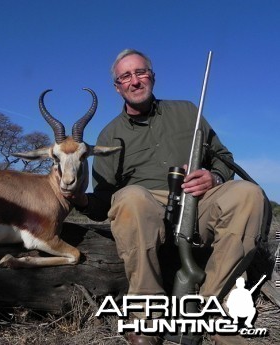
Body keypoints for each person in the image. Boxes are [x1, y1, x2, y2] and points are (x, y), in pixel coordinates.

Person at [68, 49, 264, 345]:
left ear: (152, 77)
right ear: (117, 86)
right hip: (145, 207)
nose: (134, 81)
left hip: (198, 201)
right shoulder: (109, 135)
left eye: (140, 72)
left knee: (250, 193)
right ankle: (147, 316)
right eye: (126, 76)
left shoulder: (187, 112)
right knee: (131, 197)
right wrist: (80, 200)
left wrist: (214, 177)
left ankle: (211, 308)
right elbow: (105, 201)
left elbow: (223, 157)